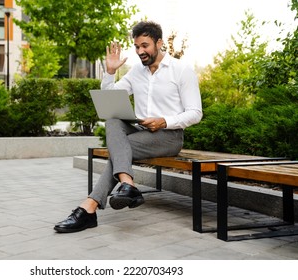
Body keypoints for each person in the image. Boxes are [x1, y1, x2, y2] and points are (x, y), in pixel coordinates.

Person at [54, 21, 202, 233]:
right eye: (137, 47)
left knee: (119, 149)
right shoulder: (136, 72)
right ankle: (126, 184)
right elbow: (109, 99)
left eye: (145, 45)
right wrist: (110, 72)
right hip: (141, 133)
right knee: (113, 118)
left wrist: (164, 121)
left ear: (159, 43)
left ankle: (89, 208)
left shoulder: (181, 70)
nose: (140, 51)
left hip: (169, 136)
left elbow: (195, 113)